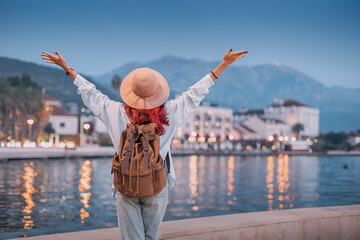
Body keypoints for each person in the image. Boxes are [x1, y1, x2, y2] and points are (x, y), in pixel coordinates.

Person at [41, 48, 248, 240]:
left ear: (131, 91)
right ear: (158, 91)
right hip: (158, 185)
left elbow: (91, 95)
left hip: (126, 182)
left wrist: (68, 70)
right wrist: (222, 65)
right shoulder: (170, 113)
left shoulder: (115, 112)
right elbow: (195, 94)